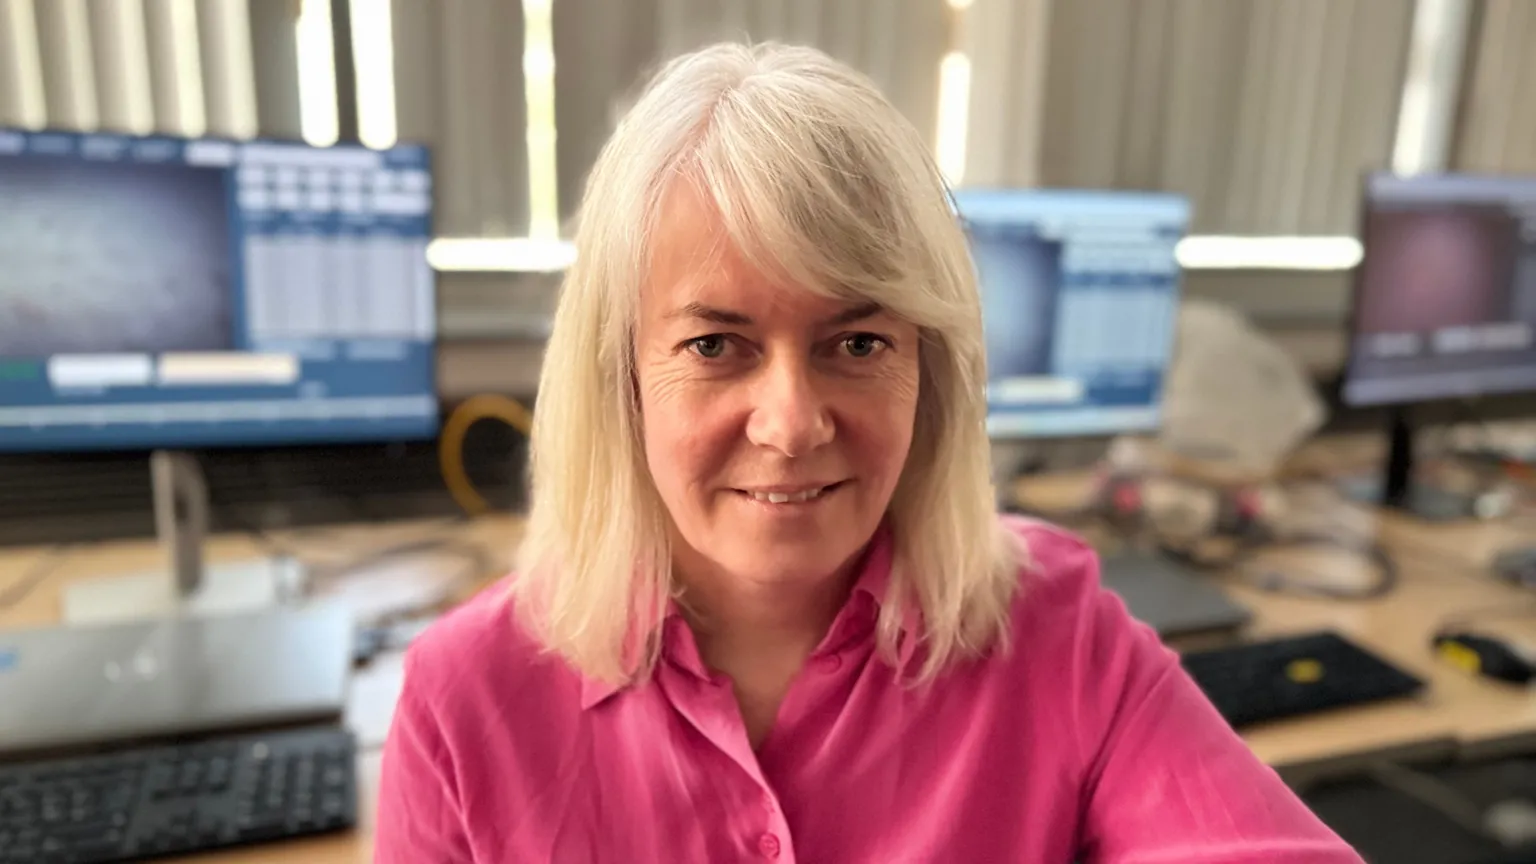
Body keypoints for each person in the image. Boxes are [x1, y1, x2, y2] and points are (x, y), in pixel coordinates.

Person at [376, 41, 1362, 863]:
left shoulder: (1059, 633)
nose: (793, 423)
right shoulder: (465, 698)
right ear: (618, 377)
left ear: (926, 368)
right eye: (715, 346)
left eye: (859, 344)